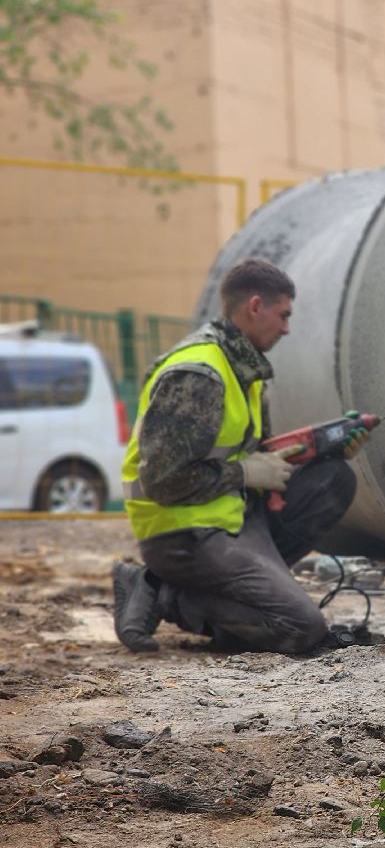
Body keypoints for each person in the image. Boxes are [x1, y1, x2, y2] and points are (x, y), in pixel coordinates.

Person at [111, 257, 366, 653]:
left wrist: (322, 449)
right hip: (184, 535)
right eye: (283, 315)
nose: (287, 328)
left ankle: (250, 587)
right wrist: (246, 474)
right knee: (301, 627)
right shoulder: (198, 375)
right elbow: (163, 482)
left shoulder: (241, 366)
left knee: (332, 479)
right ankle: (161, 592)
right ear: (255, 307)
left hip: (233, 516)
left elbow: (248, 452)